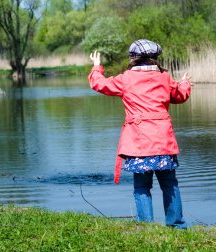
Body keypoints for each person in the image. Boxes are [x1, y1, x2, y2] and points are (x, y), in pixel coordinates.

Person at [88, 39, 193, 229]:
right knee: (170, 184)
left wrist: (96, 67)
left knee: (142, 187)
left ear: (133, 58)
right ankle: (177, 225)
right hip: (163, 142)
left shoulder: (125, 79)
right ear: (155, 58)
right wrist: (185, 83)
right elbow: (179, 96)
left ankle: (147, 228)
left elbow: (100, 84)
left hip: (139, 144)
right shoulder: (165, 78)